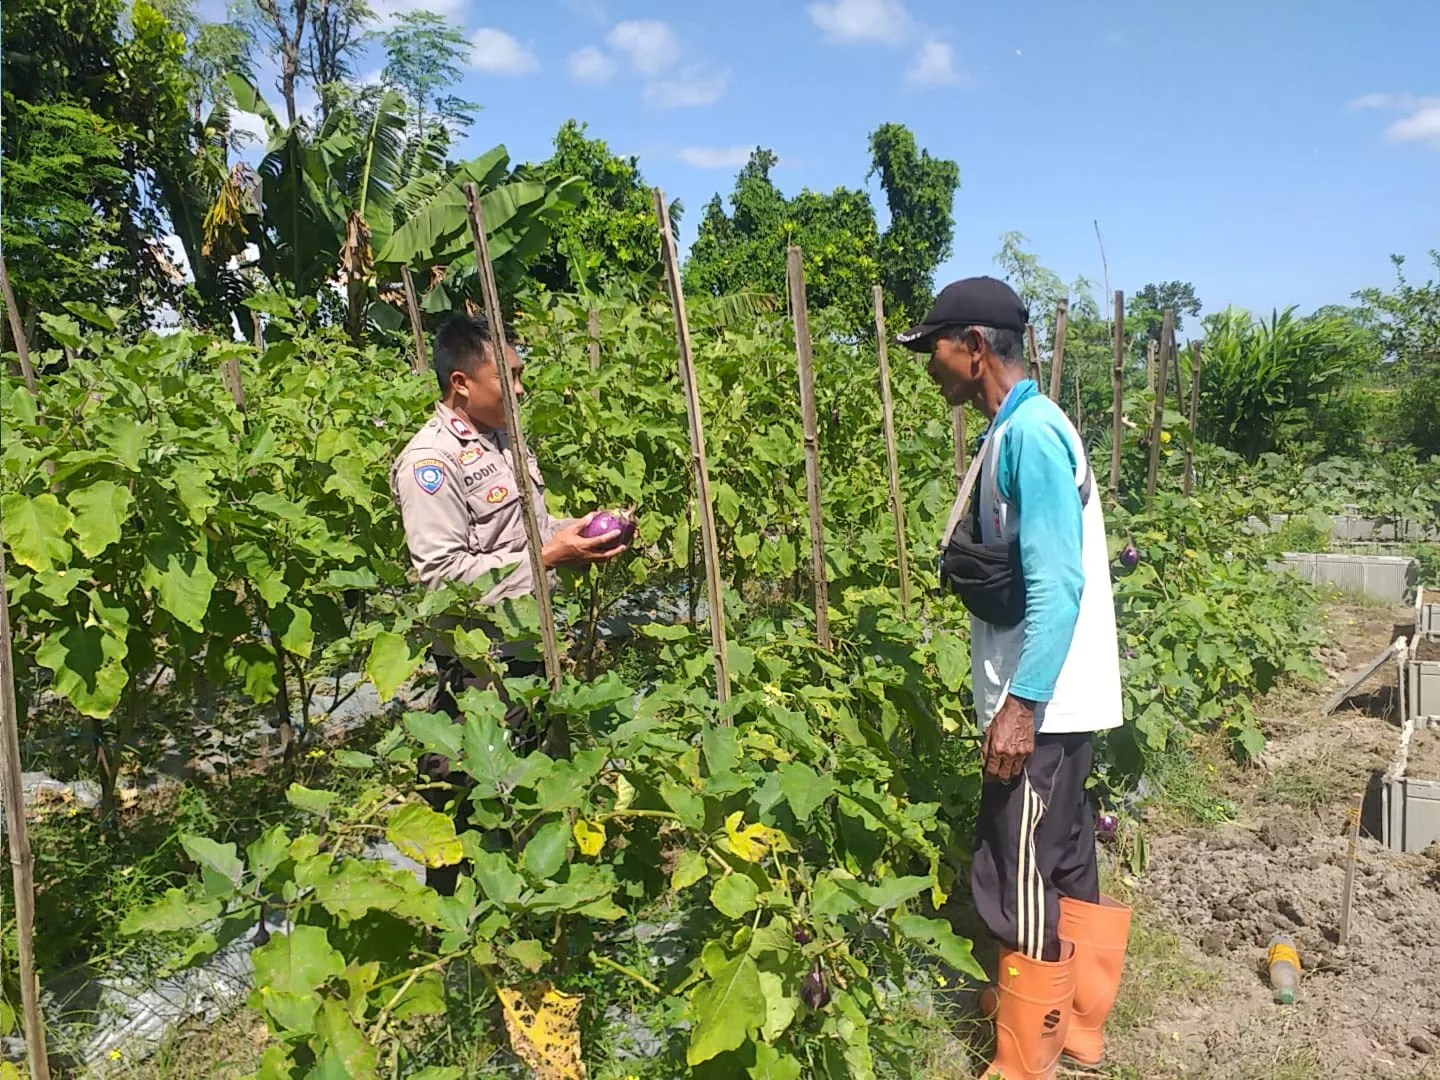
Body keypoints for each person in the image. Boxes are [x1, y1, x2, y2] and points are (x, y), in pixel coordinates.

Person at [898, 277, 1129, 1080]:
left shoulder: (1030, 435)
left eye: (933, 348)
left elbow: (1058, 583)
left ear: (973, 345)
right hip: (1062, 698)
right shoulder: (1021, 426)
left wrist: (1020, 704)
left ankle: (1025, 1064)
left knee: (1017, 870)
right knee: (1063, 859)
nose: (928, 366)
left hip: (1046, 701)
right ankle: (1078, 1035)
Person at [390, 313, 626, 893]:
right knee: (465, 802)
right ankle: (458, 936)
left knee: (521, 787)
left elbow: (530, 531)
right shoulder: (430, 463)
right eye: (509, 377)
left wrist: (585, 532)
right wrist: (550, 556)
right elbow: (443, 578)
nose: (520, 390)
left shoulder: (502, 441)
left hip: (526, 648)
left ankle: (519, 905)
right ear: (461, 384)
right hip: (480, 664)